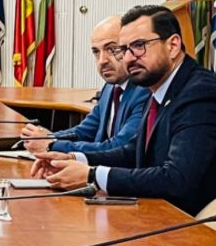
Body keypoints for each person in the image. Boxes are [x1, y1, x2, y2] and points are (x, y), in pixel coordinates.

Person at [32, 5, 216, 215]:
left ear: (173, 45)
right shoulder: (160, 87)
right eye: (124, 49)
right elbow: (133, 152)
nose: (129, 58)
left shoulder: (201, 95)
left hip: (210, 229)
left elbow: (176, 179)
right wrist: (73, 159)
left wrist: (93, 175)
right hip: (167, 215)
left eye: (139, 46)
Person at [21, 15, 149, 154]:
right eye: (96, 52)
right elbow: (84, 131)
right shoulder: (110, 87)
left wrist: (52, 145)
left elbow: (119, 147)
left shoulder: (145, 91)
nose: (102, 60)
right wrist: (47, 137)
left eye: (111, 49)